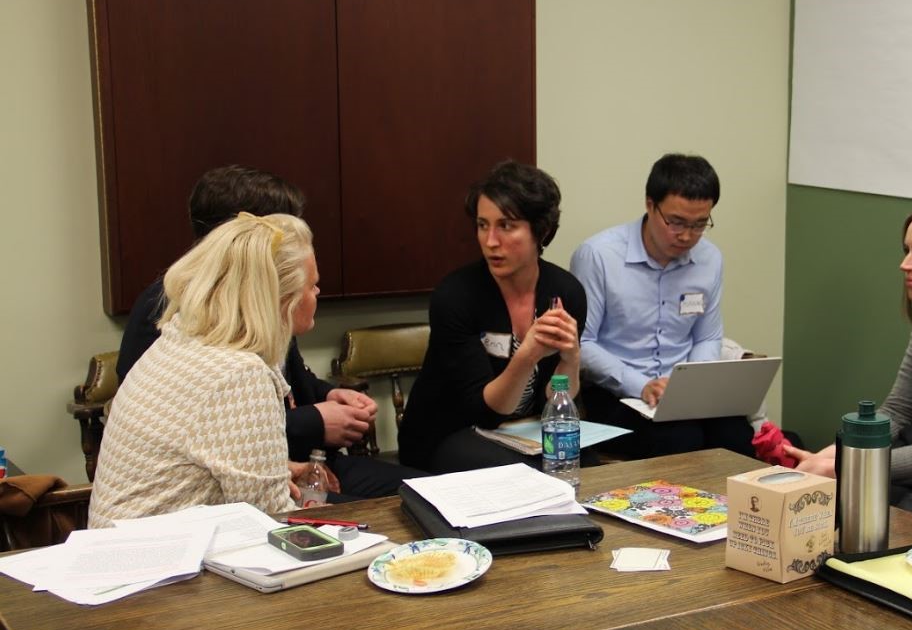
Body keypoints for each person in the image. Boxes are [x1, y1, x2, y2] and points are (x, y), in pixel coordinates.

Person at [116, 165, 402, 499]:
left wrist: (326, 398)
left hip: (270, 473)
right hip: (193, 514)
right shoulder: (192, 323)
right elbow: (270, 513)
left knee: (417, 495)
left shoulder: (230, 320)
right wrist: (313, 423)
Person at [90, 213, 322, 527]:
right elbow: (273, 522)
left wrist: (273, 472)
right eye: (312, 285)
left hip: (117, 545)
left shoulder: (182, 340)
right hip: (160, 555)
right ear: (281, 300)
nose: (317, 293)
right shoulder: (240, 374)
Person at [786, 200, 912, 509]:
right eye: (907, 250)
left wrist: (845, 466)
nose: (906, 264)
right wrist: (834, 453)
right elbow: (899, 410)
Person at [398, 161, 586, 471]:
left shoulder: (566, 292)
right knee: (527, 473)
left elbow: (554, 404)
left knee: (583, 464)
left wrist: (571, 360)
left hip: (524, 433)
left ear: (541, 231)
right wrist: (527, 354)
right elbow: (484, 412)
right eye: (483, 225)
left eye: (506, 226)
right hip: (450, 433)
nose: (490, 241)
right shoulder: (456, 295)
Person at [569, 153, 753, 459]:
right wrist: (642, 385)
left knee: (737, 436)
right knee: (680, 438)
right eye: (676, 222)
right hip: (616, 394)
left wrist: (692, 384)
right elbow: (582, 343)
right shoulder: (598, 256)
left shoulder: (709, 259)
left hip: (681, 395)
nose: (687, 236)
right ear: (650, 205)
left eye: (699, 224)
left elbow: (707, 337)